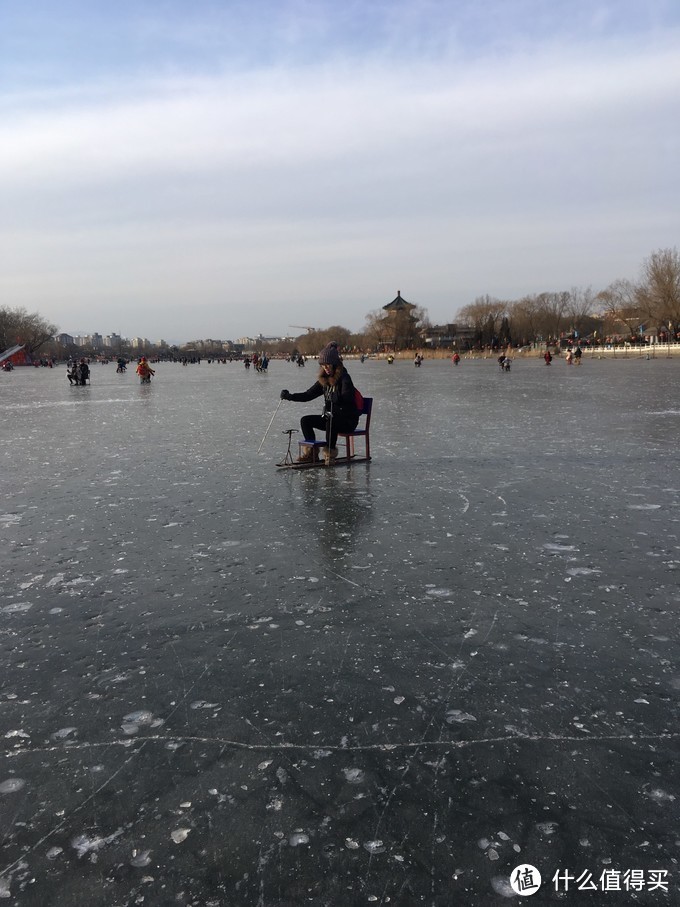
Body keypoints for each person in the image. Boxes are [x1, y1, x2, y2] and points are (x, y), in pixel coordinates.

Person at [280, 342, 359, 465]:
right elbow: (308, 395)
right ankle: (311, 454)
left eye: (328, 364)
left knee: (331, 421)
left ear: (334, 363)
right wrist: (289, 396)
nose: (325, 367)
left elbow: (348, 398)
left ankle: (330, 455)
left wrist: (336, 397)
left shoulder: (344, 378)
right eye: (323, 365)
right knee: (306, 420)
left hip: (348, 421)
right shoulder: (324, 380)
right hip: (330, 419)